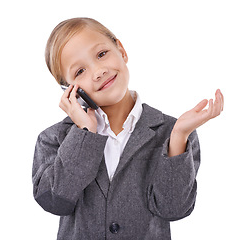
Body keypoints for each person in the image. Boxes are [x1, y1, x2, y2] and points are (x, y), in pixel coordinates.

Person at [32, 17, 224, 240]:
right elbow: (54, 201)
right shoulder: (53, 138)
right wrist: (84, 133)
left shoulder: (172, 132)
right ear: (69, 90)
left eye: (102, 54)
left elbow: (174, 209)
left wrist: (179, 136)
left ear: (121, 50)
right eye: (80, 71)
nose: (98, 71)